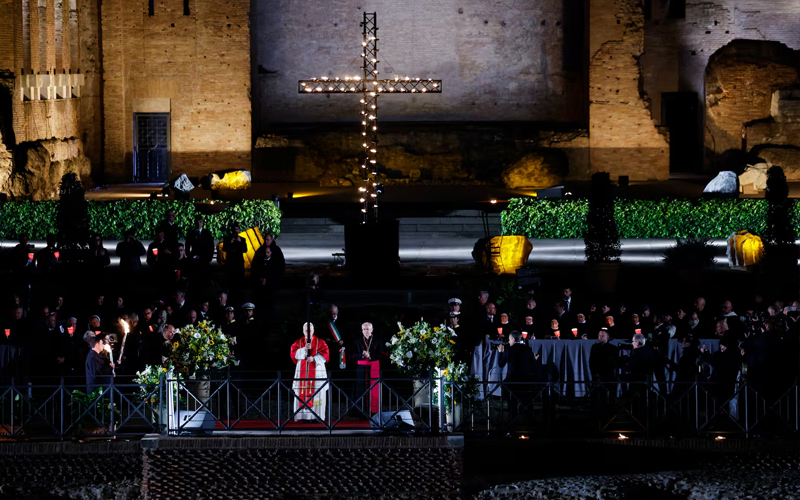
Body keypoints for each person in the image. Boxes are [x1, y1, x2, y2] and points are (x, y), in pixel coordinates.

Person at [497, 331, 541, 422]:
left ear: (513, 339)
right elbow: (533, 365)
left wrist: (500, 352)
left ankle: (512, 417)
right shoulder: (528, 349)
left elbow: (501, 364)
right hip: (527, 382)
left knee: (508, 393)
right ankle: (529, 419)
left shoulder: (508, 349)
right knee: (527, 401)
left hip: (512, 383)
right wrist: (535, 359)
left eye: (509, 339)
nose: (508, 341)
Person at [290, 322, 330, 422]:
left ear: (313, 330)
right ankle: (304, 416)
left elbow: (326, 353)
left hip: (317, 372)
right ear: (303, 331)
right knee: (302, 393)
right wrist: (304, 350)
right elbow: (293, 354)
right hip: (302, 372)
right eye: (306, 330)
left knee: (317, 395)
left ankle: (317, 416)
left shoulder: (320, 342)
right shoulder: (298, 342)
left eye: (310, 330)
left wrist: (314, 358)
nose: (308, 332)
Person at [350, 322, 385, 415]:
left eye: (368, 329)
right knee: (360, 389)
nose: (366, 331)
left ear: (372, 330)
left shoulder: (377, 341)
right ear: (362, 331)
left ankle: (374, 411)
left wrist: (371, 356)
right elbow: (351, 355)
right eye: (364, 329)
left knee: (374, 389)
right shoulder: (357, 341)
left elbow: (383, 354)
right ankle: (360, 411)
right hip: (361, 370)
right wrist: (361, 354)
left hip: (374, 368)